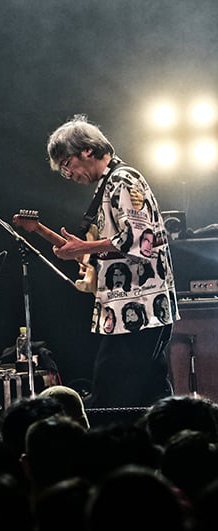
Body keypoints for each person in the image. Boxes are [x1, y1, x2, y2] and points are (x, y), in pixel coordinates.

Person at [46, 114, 178, 409]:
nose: (69, 174)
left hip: (140, 308)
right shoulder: (108, 184)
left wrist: (86, 246)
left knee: (111, 393)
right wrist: (90, 254)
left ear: (87, 150)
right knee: (150, 393)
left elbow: (141, 241)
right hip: (131, 308)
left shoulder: (122, 180)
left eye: (67, 164)